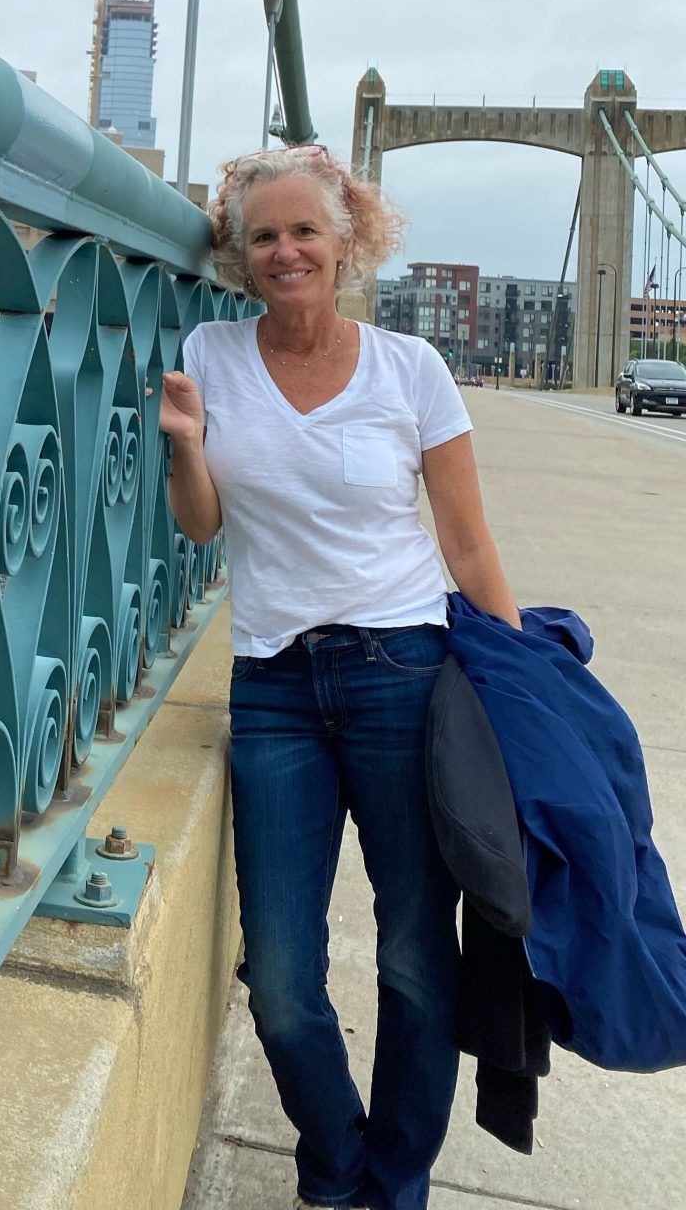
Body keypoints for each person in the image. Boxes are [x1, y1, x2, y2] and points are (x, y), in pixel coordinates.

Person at [155, 144, 520, 1210]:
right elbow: (202, 522)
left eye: (305, 230)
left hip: (402, 672)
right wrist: (185, 443)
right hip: (273, 687)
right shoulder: (210, 352)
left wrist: (520, 692)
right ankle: (338, 1162)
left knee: (412, 959)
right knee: (279, 982)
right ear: (240, 253)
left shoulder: (413, 370)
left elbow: (469, 546)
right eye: (262, 235)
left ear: (349, 240)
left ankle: (388, 1183)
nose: (284, 250)